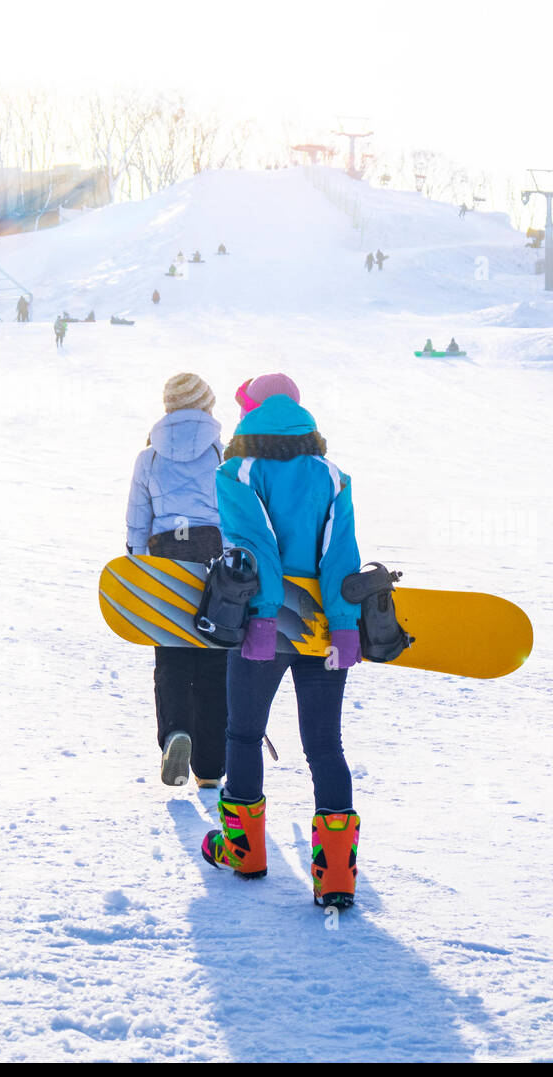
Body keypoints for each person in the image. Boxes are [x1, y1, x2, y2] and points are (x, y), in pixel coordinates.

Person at [201, 372, 363, 908]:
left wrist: (266, 614)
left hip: (260, 624)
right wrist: (343, 623)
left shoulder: (237, 470)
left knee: (244, 733)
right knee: (325, 745)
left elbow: (255, 544)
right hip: (321, 629)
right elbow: (343, 554)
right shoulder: (331, 474)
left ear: (249, 411)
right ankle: (336, 875)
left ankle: (244, 852)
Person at [127, 372, 228, 789]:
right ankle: (210, 769)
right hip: (215, 570)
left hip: (166, 569)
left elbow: (137, 523)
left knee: (170, 659)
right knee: (213, 663)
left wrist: (138, 569)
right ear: (206, 405)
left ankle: (175, 734)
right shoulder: (224, 453)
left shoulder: (148, 458)